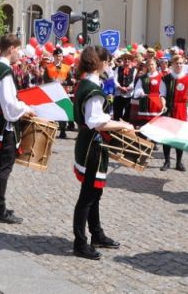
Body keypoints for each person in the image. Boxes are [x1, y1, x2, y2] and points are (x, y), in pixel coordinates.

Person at [72, 45, 134, 260]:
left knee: (94, 193)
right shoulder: (93, 91)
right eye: (107, 62)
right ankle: (80, 242)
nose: (109, 66)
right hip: (92, 146)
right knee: (88, 196)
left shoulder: (86, 84)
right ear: (99, 64)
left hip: (90, 143)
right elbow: (95, 122)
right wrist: (121, 125)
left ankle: (96, 233)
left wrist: (117, 122)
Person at [0, 34, 35, 224]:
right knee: (2, 167)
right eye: (18, 49)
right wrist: (26, 108)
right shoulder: (3, 71)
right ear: (11, 48)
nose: (19, 53)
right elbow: (9, 105)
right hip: (4, 126)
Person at [159, 54, 188, 171]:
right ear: (172, 64)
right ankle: (167, 161)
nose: (179, 65)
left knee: (180, 137)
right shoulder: (166, 78)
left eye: (181, 63)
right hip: (169, 109)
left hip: (182, 110)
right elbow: (162, 94)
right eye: (176, 63)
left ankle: (178, 162)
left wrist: (186, 103)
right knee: (166, 137)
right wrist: (163, 105)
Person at [45, 48, 73, 138]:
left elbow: (71, 81)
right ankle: (50, 129)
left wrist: (63, 82)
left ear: (62, 57)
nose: (58, 57)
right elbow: (45, 80)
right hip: (51, 92)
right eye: (56, 56)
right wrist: (52, 81)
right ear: (53, 56)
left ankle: (63, 130)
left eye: (60, 56)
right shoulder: (48, 67)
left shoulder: (67, 68)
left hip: (62, 92)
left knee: (62, 111)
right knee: (51, 111)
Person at [113, 54, 136, 122]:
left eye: (128, 59)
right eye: (125, 59)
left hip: (129, 94)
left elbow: (134, 80)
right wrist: (120, 87)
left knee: (127, 113)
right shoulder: (118, 68)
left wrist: (128, 88)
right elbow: (115, 79)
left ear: (130, 60)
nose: (127, 60)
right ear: (123, 60)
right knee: (117, 113)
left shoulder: (134, 70)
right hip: (119, 94)